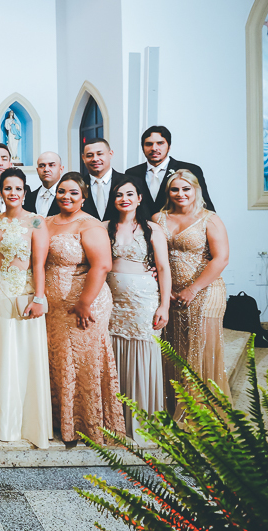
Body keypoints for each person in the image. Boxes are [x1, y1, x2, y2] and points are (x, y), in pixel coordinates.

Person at [45, 172, 124, 444]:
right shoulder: (46, 221)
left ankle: (87, 425)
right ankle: (61, 422)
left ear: (84, 196)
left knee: (83, 362)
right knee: (60, 363)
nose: (66, 197)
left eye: (73, 193)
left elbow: (102, 265)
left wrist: (84, 302)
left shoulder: (90, 225)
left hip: (84, 305)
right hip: (53, 309)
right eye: (62, 192)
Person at [0, 168, 51, 447]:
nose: (13, 193)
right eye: (8, 188)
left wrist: (39, 298)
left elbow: (39, 265)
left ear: (25, 191)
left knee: (17, 355)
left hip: (19, 293)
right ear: (1, 191)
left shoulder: (35, 222)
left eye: (18, 189)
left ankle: (18, 421)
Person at [155, 170, 230, 419]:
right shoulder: (159, 218)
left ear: (196, 190)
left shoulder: (210, 219)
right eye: (175, 189)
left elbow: (221, 259)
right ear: (168, 193)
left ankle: (204, 414)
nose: (180, 194)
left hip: (206, 291)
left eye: (186, 189)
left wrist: (192, 289)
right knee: (174, 348)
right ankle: (175, 406)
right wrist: (167, 290)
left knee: (200, 350)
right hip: (171, 294)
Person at [104, 176, 171, 439]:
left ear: (139, 198)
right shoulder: (104, 227)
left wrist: (164, 305)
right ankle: (116, 420)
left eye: (130, 194)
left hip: (144, 302)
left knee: (143, 353)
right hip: (111, 302)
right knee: (114, 354)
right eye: (119, 195)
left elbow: (163, 267)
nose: (124, 199)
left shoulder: (152, 229)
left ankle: (143, 423)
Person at [125, 126, 215, 216]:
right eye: (149, 144)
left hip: (178, 227)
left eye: (160, 143)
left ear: (169, 146)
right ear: (142, 147)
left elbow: (205, 205)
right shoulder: (132, 173)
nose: (154, 148)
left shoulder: (191, 170)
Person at [81, 139, 121, 222]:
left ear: (110, 154)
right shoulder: (78, 185)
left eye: (100, 154)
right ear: (83, 158)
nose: (95, 159)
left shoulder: (128, 182)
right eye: (89, 155)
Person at [24, 152, 63, 217]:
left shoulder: (67, 197)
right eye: (42, 166)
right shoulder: (30, 197)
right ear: (37, 170)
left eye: (51, 165)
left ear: (61, 169)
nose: (46, 169)